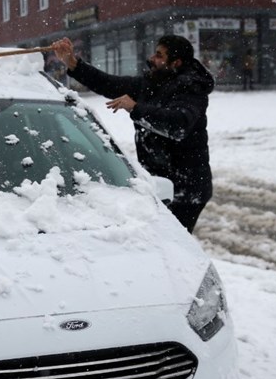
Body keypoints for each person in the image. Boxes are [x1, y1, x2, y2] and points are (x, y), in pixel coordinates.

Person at [51, 34, 214, 233]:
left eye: (159, 55)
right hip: (156, 182)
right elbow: (109, 83)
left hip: (186, 190)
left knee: (170, 245)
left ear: (176, 62)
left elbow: (178, 125)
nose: (152, 59)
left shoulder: (191, 88)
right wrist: (73, 63)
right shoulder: (153, 82)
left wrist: (136, 108)